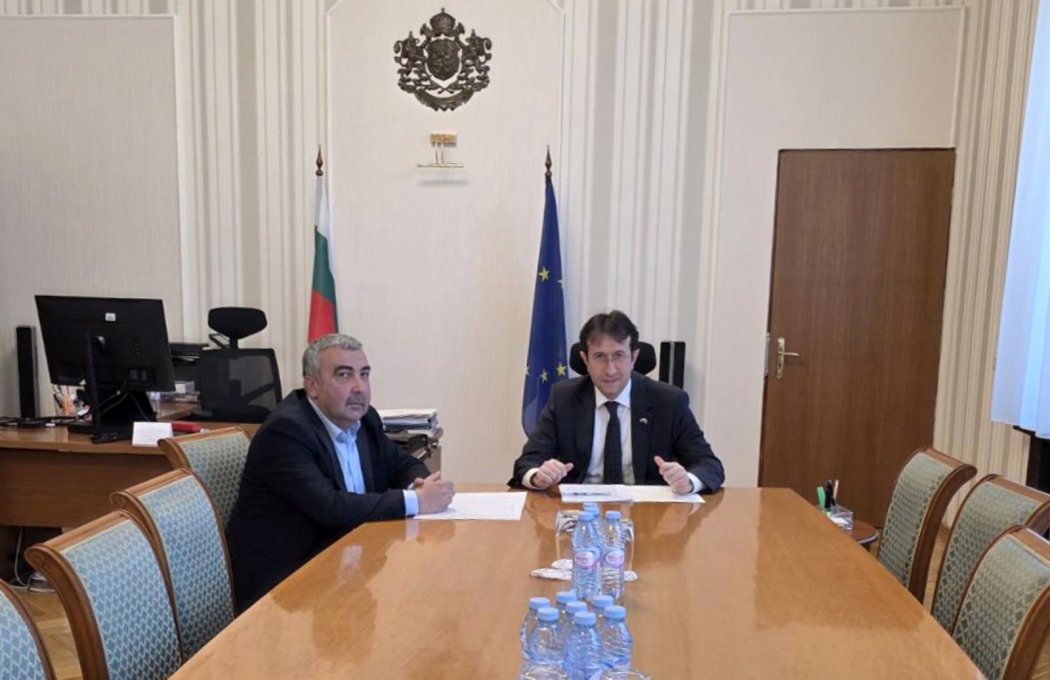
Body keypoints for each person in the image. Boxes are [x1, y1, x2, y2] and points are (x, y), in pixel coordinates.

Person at [226, 333, 455, 611]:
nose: (360, 387)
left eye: (364, 374)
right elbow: (329, 505)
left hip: (346, 566)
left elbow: (401, 463)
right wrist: (418, 500)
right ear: (312, 386)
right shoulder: (286, 432)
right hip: (285, 591)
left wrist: (419, 483)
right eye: (344, 375)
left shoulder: (365, 419)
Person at [510, 310, 724, 494]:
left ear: (634, 357)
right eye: (600, 357)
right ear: (585, 360)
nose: (610, 370)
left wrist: (688, 481)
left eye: (619, 355)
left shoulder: (669, 401)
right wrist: (538, 476)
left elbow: (709, 465)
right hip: (581, 512)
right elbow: (527, 463)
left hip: (647, 514)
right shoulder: (564, 397)